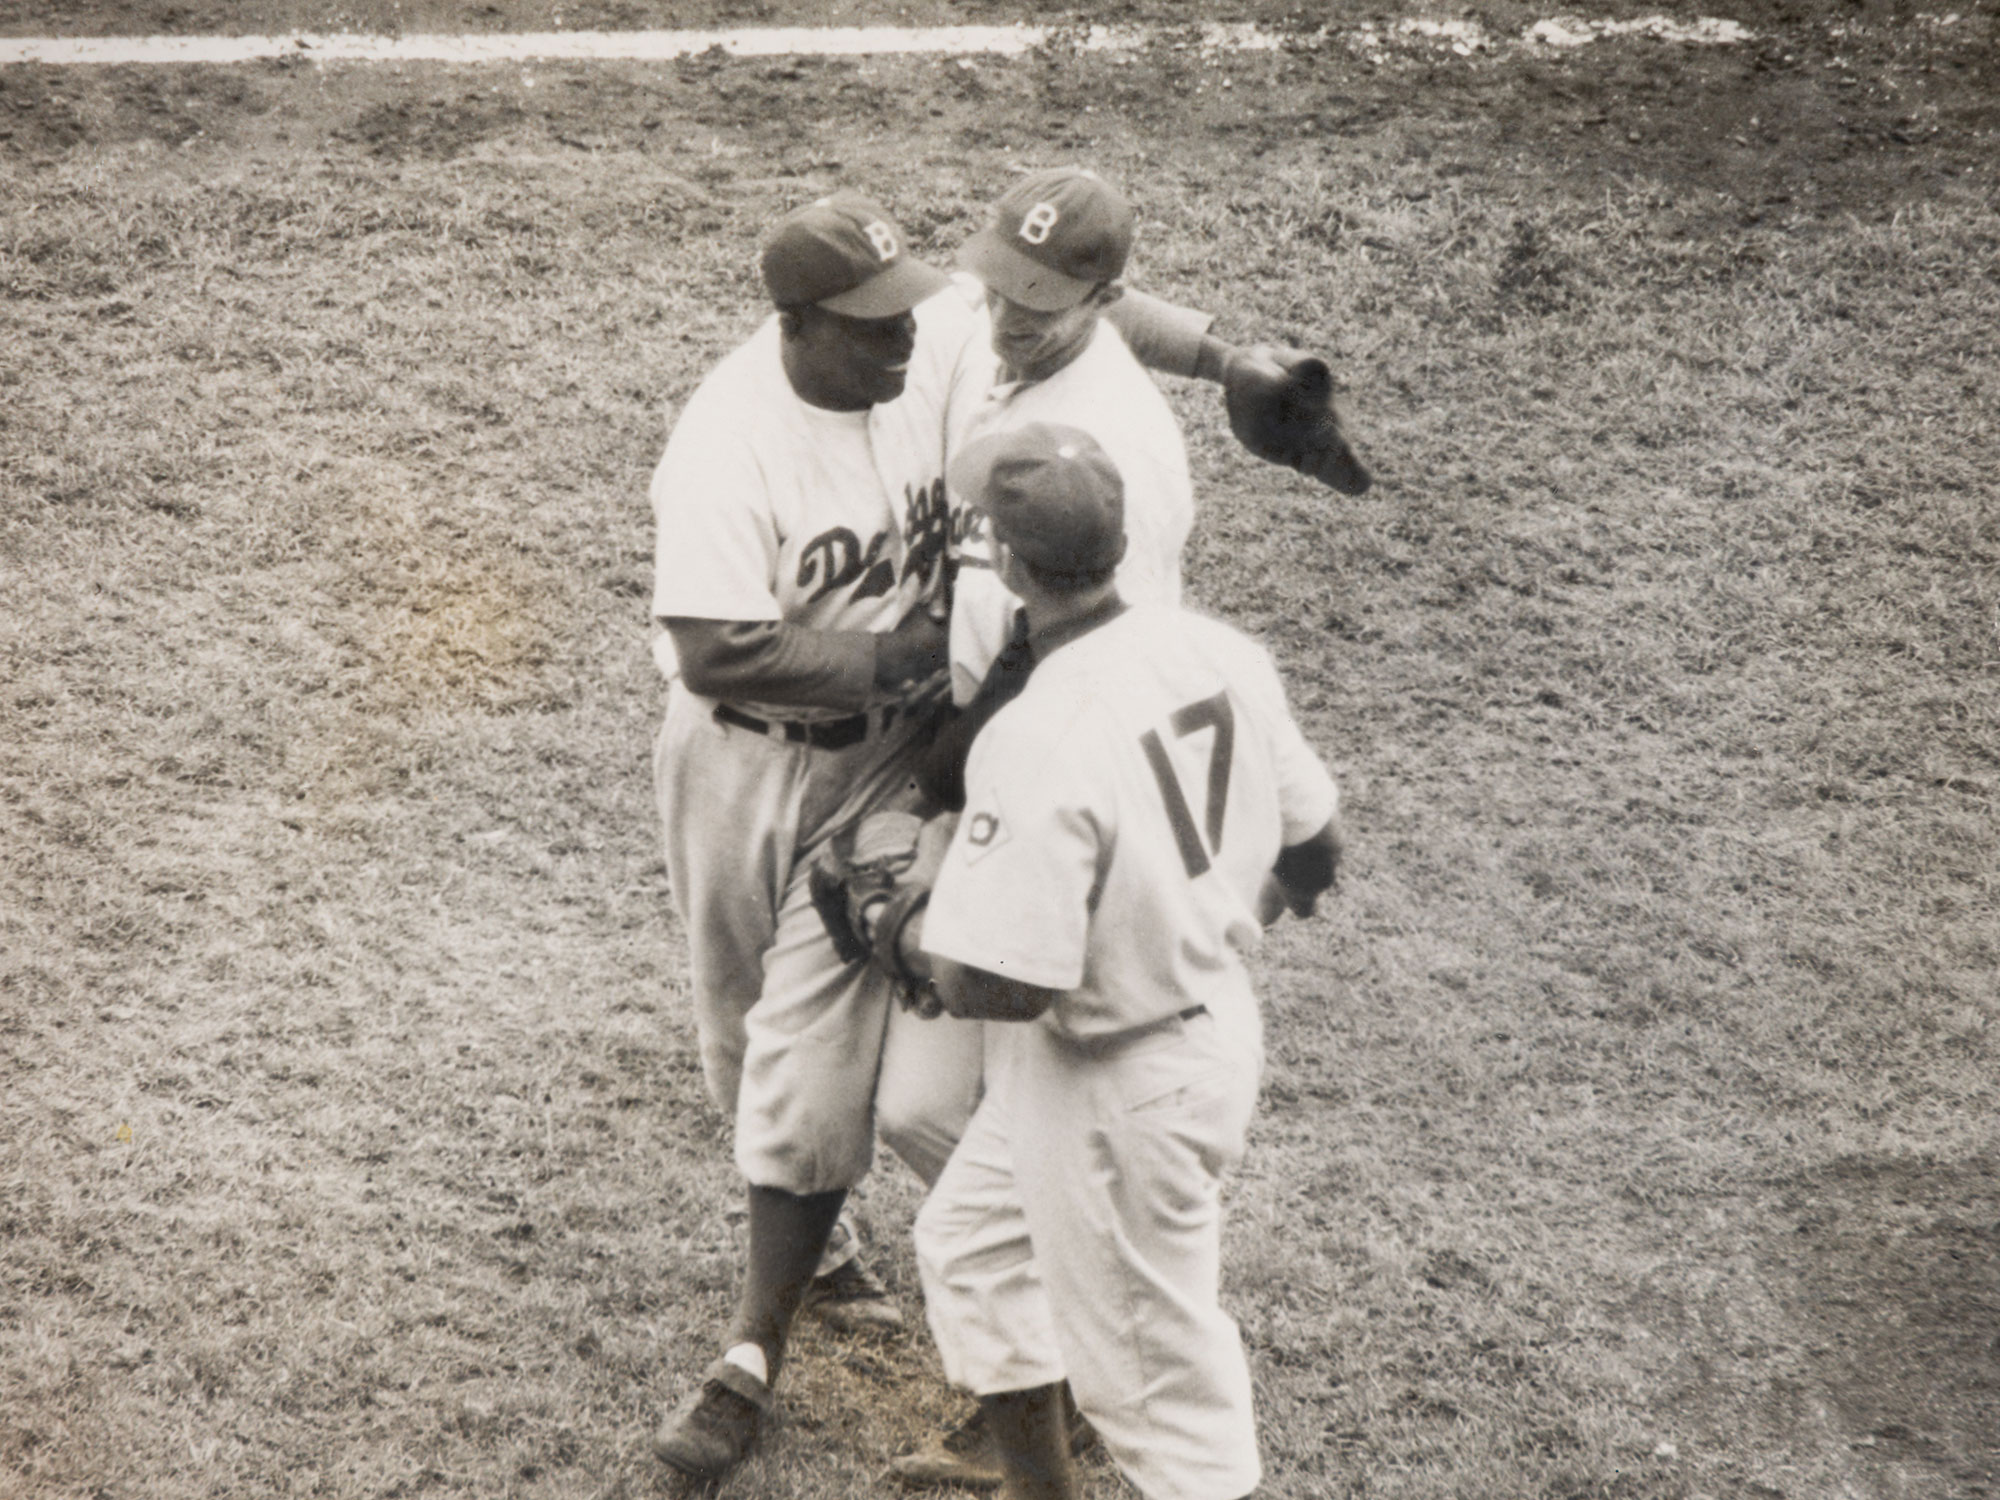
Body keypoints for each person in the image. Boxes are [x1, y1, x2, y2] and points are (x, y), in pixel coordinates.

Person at [645, 187, 1293, 1484]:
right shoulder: (729, 439)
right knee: (747, 1041)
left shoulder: (943, 344)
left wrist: (1227, 358)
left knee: (900, 1080)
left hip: (919, 773)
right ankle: (839, 1272)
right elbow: (715, 646)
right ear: (802, 326)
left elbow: (1077, 297)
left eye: (914, 311)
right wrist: (920, 662)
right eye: (878, 326)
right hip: (743, 758)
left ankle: (769, 1352)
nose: (923, 338)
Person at [884, 422, 1344, 1500]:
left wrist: (906, 930)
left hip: (1122, 1086)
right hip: (1171, 1030)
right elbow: (1316, 849)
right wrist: (1216, 920)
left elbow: (1003, 983)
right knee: (972, 1247)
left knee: (1160, 1400)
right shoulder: (1218, 651)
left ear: (1004, 561)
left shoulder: (1040, 731)